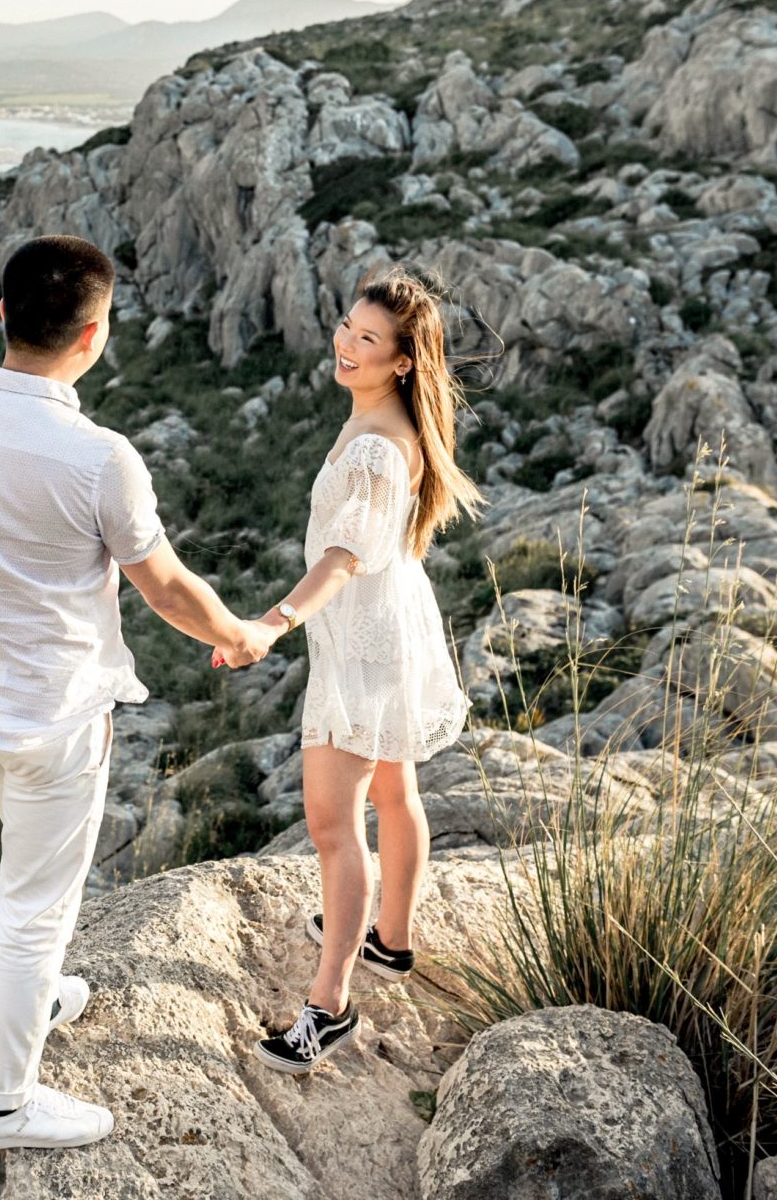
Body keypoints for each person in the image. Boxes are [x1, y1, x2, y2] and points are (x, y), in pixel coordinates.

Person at [0, 234, 280, 1153]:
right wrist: (241, 634)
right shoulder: (99, 457)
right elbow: (167, 587)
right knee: (34, 912)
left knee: (27, 886)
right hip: (56, 721)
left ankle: (31, 994)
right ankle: (0, 1106)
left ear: (1, 316)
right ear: (96, 333)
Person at [223, 264, 486, 1075]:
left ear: (401, 360)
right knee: (394, 790)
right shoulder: (389, 420)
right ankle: (391, 940)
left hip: (363, 639)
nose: (345, 342)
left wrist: (274, 620)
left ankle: (329, 1005)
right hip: (388, 624)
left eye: (367, 339)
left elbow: (341, 556)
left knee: (334, 825)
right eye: (346, 324)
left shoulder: (376, 445)